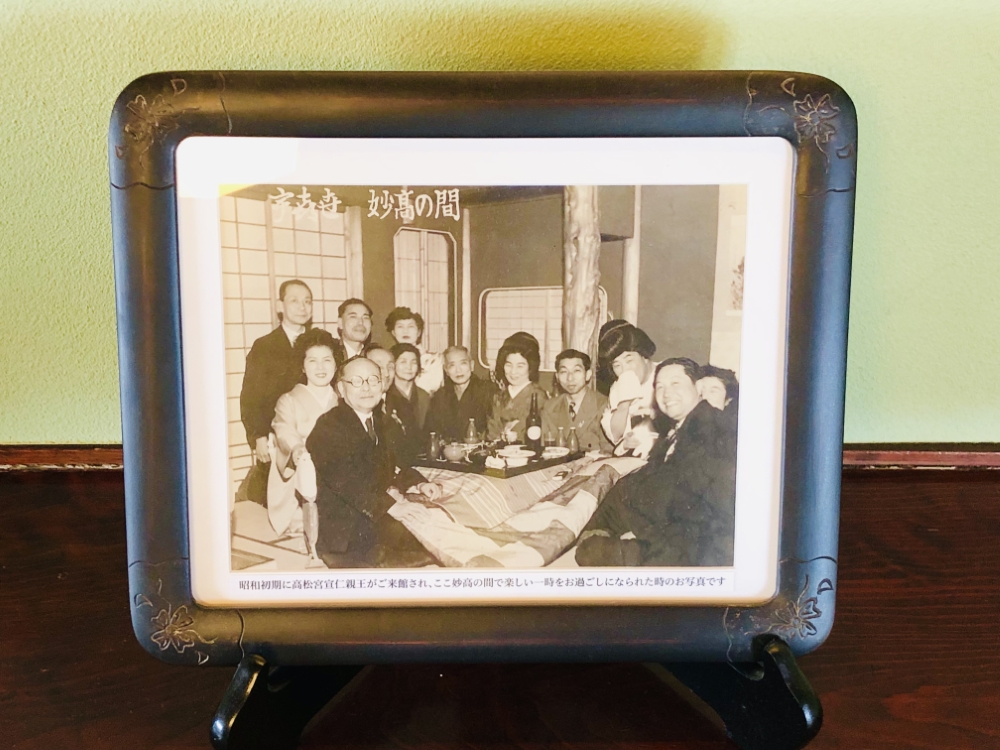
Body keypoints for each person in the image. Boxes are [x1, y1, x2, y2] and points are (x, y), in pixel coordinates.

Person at [576, 358, 737, 568]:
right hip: (668, 526)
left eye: (675, 383)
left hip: (691, 547)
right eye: (660, 387)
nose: (666, 393)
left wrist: (638, 536)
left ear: (698, 387)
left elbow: (695, 515)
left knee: (591, 552)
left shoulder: (714, 430)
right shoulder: (681, 427)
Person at [306, 357, 440, 568]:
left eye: (373, 380)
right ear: (341, 389)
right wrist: (392, 507)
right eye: (357, 381)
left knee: (435, 519)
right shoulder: (329, 426)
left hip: (373, 512)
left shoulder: (379, 422)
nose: (367, 388)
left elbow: (393, 465)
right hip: (345, 528)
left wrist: (419, 482)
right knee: (423, 532)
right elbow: (346, 482)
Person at [266, 328, 339, 562]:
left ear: (336, 364)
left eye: (327, 360)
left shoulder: (342, 398)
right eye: (312, 361)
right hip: (302, 467)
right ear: (303, 366)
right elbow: (284, 429)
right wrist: (297, 449)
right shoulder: (288, 399)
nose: (320, 367)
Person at [240, 279, 313, 467]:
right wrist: (259, 436)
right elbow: (251, 397)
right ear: (280, 306)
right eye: (294, 301)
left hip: (314, 431)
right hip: (277, 435)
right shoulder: (264, 346)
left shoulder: (320, 342)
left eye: (307, 301)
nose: (302, 307)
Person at [597, 320, 659, 459]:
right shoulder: (617, 387)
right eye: (617, 365)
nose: (625, 370)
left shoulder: (665, 374)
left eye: (629, 360)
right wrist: (624, 404)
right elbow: (616, 435)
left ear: (644, 355)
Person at [541, 349, 613, 453]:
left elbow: (608, 452)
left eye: (576, 371)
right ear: (557, 377)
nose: (570, 378)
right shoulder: (550, 407)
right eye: (564, 372)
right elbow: (546, 450)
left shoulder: (603, 405)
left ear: (588, 375)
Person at [424, 346, 497, 441]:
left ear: (471, 365)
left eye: (463, 363)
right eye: (452, 365)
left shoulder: (488, 391)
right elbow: (431, 432)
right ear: (446, 370)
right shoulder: (440, 396)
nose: (458, 370)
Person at [487, 335, 549, 442]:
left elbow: (540, 433)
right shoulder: (499, 396)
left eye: (520, 366)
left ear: (531, 367)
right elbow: (492, 432)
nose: (513, 371)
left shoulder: (539, 397)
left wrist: (516, 435)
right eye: (508, 365)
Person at [386, 343, 431, 462]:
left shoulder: (424, 396)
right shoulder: (385, 395)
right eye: (403, 362)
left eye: (413, 362)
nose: (409, 367)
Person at [384, 306, 444, 394]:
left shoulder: (433, 360)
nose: (405, 331)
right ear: (393, 332)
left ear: (419, 332)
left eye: (410, 326)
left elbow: (429, 389)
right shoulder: (387, 357)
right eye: (400, 326)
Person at [332, 298, 373, 367]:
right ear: (340, 323)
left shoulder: (373, 355)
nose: (361, 322)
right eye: (353, 317)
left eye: (365, 317)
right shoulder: (331, 354)